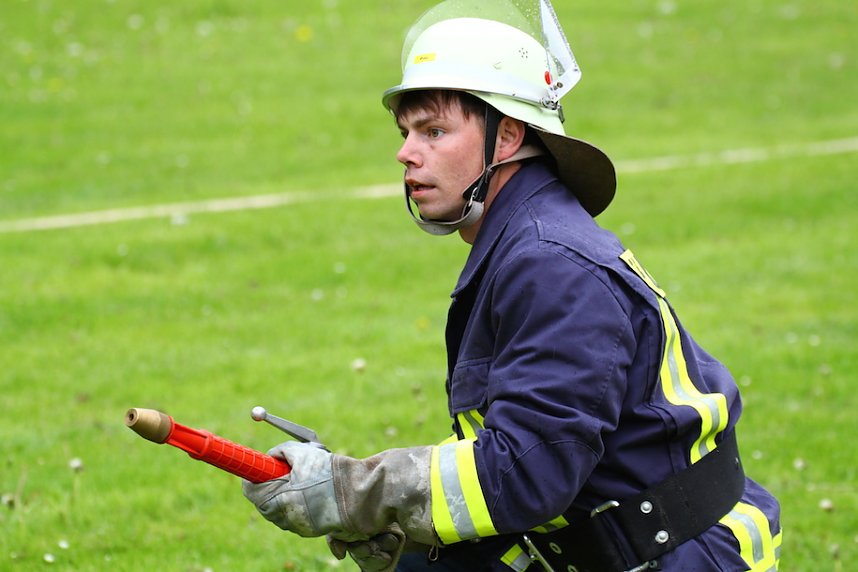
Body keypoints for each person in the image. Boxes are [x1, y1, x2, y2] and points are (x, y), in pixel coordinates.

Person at [242, 1, 782, 571]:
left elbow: (529, 470)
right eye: (406, 132)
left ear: (507, 137)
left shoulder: (552, 265)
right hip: (599, 536)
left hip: (673, 556)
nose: (405, 152)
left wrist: (360, 492)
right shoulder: (524, 242)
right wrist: (403, 526)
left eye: (434, 130)